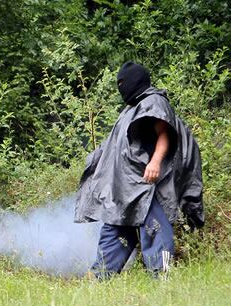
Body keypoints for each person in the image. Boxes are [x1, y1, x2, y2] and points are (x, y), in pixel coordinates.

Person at [75, 62, 204, 279]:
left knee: (154, 230)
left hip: (147, 186)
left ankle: (161, 279)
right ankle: (99, 278)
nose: (121, 87)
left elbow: (165, 133)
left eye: (123, 83)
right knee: (114, 230)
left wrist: (154, 163)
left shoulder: (153, 101)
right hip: (125, 189)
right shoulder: (132, 108)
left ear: (136, 81)